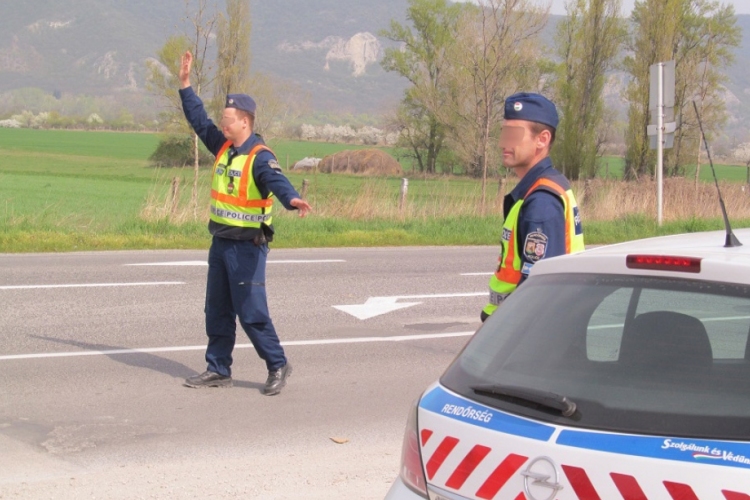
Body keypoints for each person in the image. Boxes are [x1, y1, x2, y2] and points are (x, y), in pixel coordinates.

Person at [178, 51, 312, 395]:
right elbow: (198, 121)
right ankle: (218, 369)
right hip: (220, 242)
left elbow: (277, 182)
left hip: (248, 247)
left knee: (251, 313)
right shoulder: (223, 147)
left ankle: (278, 364)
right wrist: (185, 85)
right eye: (222, 119)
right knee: (217, 310)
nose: (222, 124)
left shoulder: (260, 156)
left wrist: (292, 199)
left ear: (245, 123)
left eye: (228, 120)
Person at [481, 92, 584, 322]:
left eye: (514, 134)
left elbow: (540, 291)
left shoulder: (542, 202)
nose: (504, 142)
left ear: (542, 139)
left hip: (521, 333)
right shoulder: (540, 188)